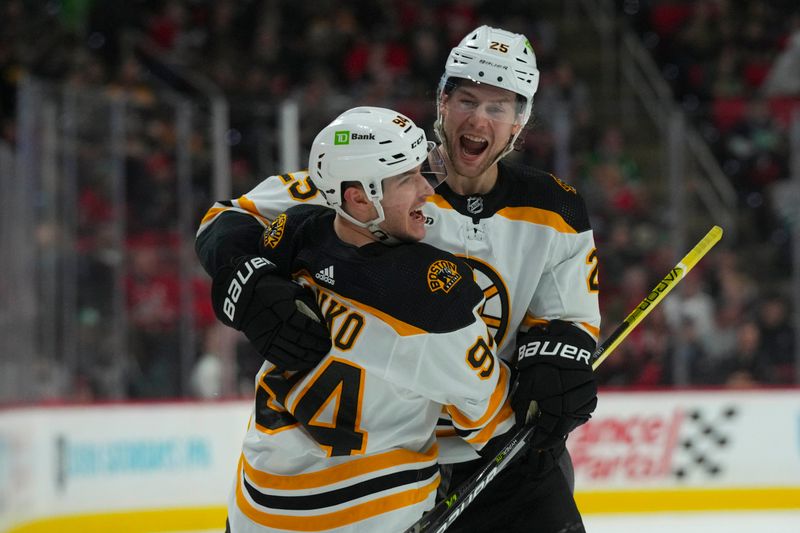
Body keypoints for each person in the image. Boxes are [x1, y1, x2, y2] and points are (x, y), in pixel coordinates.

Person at [196, 26, 600, 532]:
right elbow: (228, 220)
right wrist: (250, 286)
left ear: (520, 122)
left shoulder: (556, 207)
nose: (478, 119)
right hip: (399, 453)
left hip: (502, 449)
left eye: (498, 108)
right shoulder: (377, 175)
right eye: (466, 100)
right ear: (441, 102)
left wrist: (559, 359)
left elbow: (567, 314)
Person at [208, 106, 517, 532]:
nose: (427, 190)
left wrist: (242, 279)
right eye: (408, 178)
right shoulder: (431, 294)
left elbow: (224, 223)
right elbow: (491, 421)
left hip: (256, 507)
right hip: (373, 516)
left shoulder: (291, 234)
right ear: (358, 196)